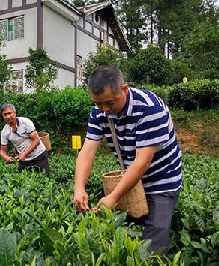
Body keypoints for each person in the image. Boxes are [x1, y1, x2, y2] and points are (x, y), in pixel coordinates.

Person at [73, 65, 182, 256]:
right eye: (98, 104)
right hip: (132, 180)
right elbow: (88, 150)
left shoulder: (149, 109)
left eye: (110, 103)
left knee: (153, 244)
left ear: (125, 89)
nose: (105, 109)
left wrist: (113, 197)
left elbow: (143, 162)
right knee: (128, 238)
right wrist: (79, 188)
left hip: (162, 180)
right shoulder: (99, 112)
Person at [0, 103, 50, 176]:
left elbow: (36, 141)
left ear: (15, 113)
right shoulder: (5, 131)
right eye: (5, 114)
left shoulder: (25, 122)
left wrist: (24, 154)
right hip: (24, 160)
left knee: (45, 179)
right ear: (2, 116)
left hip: (39, 155)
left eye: (9, 113)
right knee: (22, 182)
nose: (8, 116)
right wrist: (6, 157)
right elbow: (2, 150)